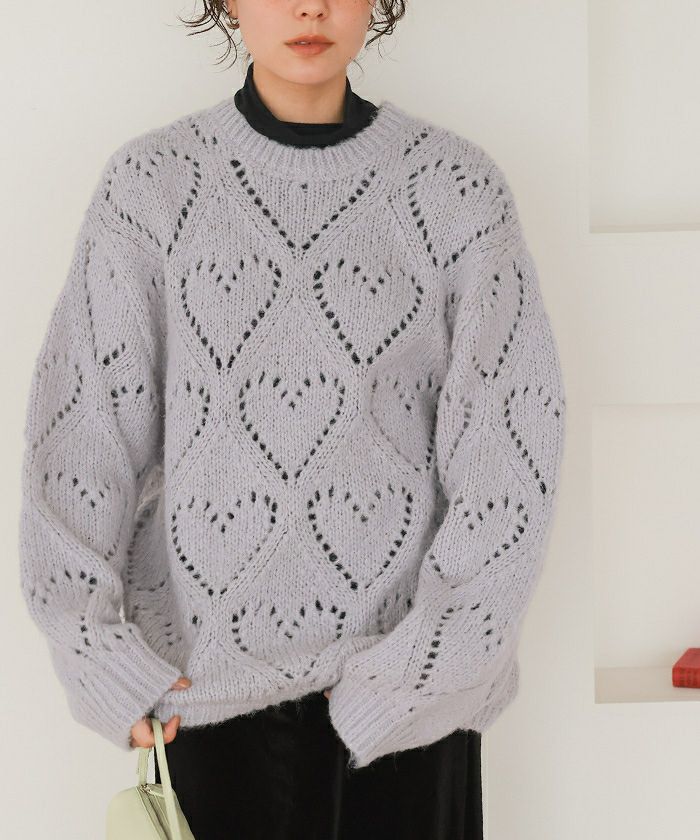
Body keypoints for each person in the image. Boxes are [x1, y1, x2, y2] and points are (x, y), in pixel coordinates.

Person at [18, 2, 566, 839]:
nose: (311, 6)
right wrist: (99, 659)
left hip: (407, 717)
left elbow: (510, 465)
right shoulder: (151, 187)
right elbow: (80, 442)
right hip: (209, 707)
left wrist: (412, 680)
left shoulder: (456, 192)